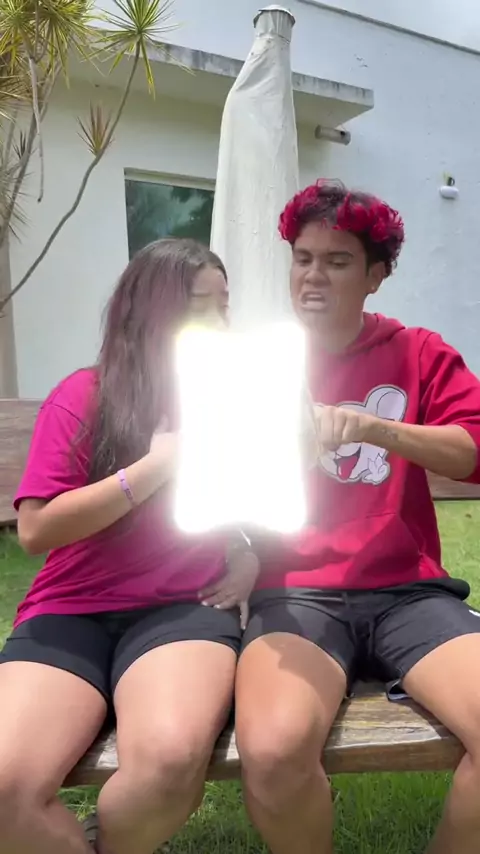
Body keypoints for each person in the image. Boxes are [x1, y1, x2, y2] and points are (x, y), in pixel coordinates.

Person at [235, 180, 480, 854]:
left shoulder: (418, 350)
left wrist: (376, 428)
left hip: (408, 593)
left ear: (375, 276)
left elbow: (473, 450)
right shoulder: (255, 363)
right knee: (274, 751)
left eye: (337, 261)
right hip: (297, 593)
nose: (313, 275)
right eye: (303, 258)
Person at [0, 238, 259, 854]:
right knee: (7, 786)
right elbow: (37, 529)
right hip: (72, 610)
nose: (220, 322)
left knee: (168, 765)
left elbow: (261, 502)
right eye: (200, 306)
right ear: (150, 313)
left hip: (184, 605)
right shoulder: (84, 395)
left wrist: (249, 552)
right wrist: (154, 467)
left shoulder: (231, 400)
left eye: (225, 304)